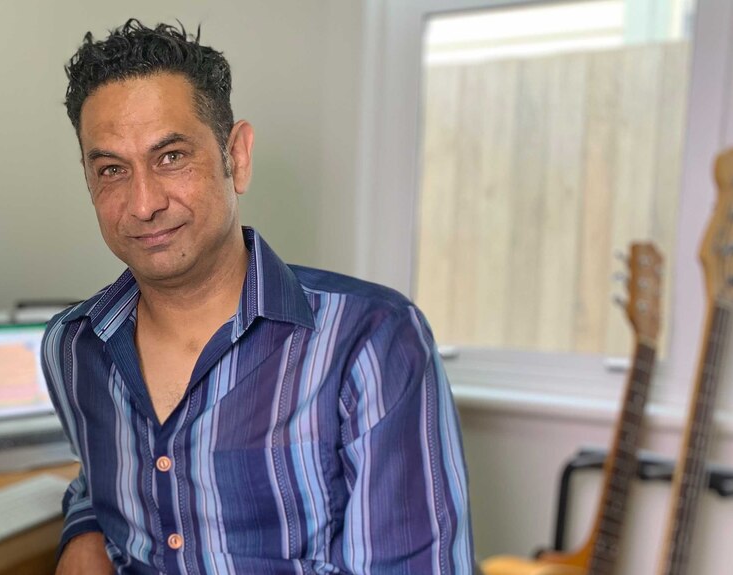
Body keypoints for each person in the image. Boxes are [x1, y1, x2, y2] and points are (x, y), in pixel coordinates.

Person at [43, 19, 473, 575]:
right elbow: (101, 476)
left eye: (171, 156)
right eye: (111, 170)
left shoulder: (372, 341)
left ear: (237, 157)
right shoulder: (73, 348)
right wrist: (85, 532)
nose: (143, 202)